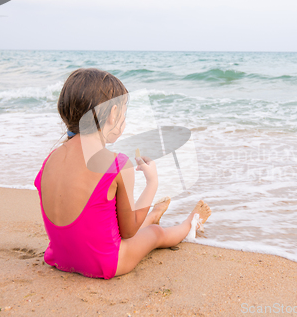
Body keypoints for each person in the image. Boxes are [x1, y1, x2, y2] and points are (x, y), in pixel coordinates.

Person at [34, 68, 211, 279]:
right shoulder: (117, 164)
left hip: (60, 257)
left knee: (111, 218)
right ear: (113, 114)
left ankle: (153, 215)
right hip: (104, 262)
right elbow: (128, 232)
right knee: (155, 234)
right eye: (124, 114)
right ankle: (188, 226)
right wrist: (152, 182)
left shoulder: (50, 159)